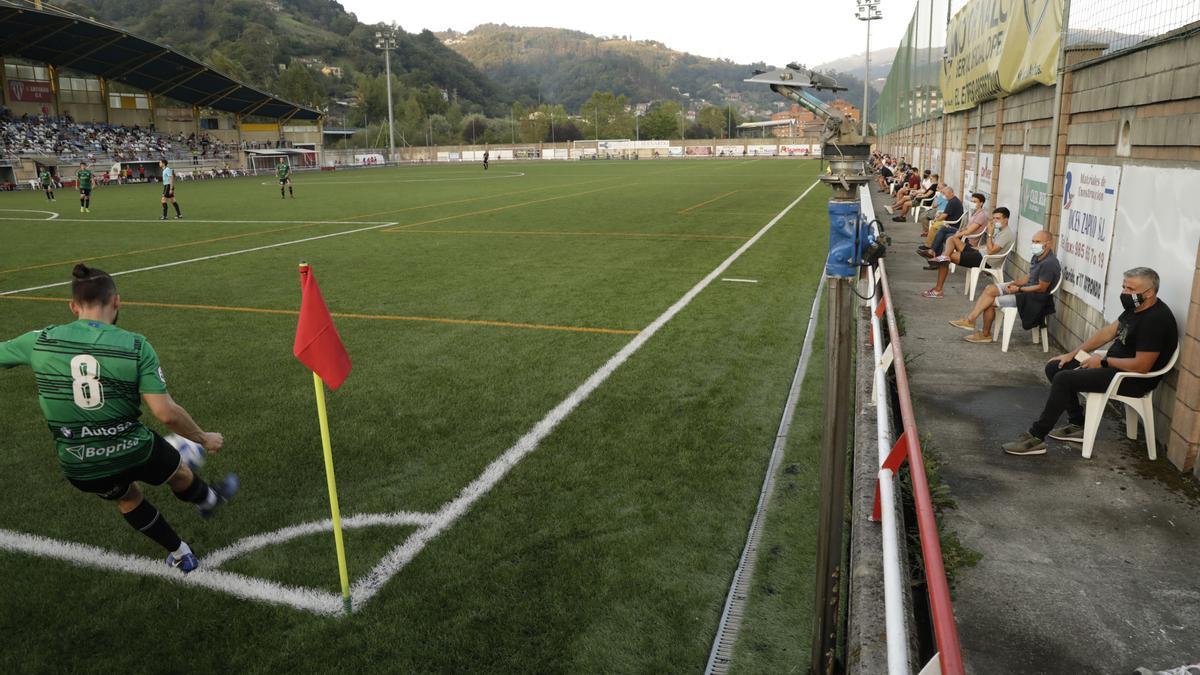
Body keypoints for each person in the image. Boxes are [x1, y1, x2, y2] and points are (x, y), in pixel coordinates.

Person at [0, 264, 238, 572]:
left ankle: (181, 554)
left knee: (127, 498)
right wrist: (204, 438)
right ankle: (207, 500)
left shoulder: (40, 340)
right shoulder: (136, 345)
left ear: (73, 307)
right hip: (134, 448)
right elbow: (165, 413)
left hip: (79, 462)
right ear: (116, 301)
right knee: (177, 470)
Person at [1001, 267, 1178, 455]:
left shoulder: (1155, 320)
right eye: (1124, 287)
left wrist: (1103, 362)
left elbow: (1142, 366)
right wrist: (1072, 354)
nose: (1125, 293)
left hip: (1130, 379)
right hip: (1113, 366)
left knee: (1064, 379)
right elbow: (1107, 333)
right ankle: (1077, 424)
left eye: (1130, 289)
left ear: (1149, 292)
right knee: (1055, 367)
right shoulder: (1136, 308)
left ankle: (1036, 437)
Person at [949, 229, 1060, 343]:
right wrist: (1013, 283)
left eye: (1038, 242)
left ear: (1049, 243)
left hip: (1032, 297)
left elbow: (1041, 288)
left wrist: (1019, 289)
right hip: (1024, 289)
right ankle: (970, 320)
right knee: (990, 289)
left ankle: (984, 334)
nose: (1034, 244)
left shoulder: (1049, 263)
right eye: (1033, 241)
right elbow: (1029, 277)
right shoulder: (1037, 257)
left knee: (990, 303)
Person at [922, 205, 1015, 299]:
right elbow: (988, 247)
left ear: (1006, 219)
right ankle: (944, 257)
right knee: (952, 239)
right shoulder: (999, 230)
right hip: (980, 253)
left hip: (986, 260)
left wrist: (990, 234)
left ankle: (938, 290)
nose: (995, 221)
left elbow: (990, 252)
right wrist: (978, 248)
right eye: (994, 218)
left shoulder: (1006, 234)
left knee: (947, 258)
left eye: (998, 218)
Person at [921, 190, 985, 260]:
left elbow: (968, 232)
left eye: (975, 202)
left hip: (968, 240)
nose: (972, 204)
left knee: (944, 235)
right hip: (963, 234)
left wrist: (958, 234)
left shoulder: (981, 216)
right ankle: (934, 255)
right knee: (943, 228)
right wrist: (960, 230)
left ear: (981, 203)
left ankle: (934, 255)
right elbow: (967, 228)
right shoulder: (974, 213)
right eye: (971, 202)